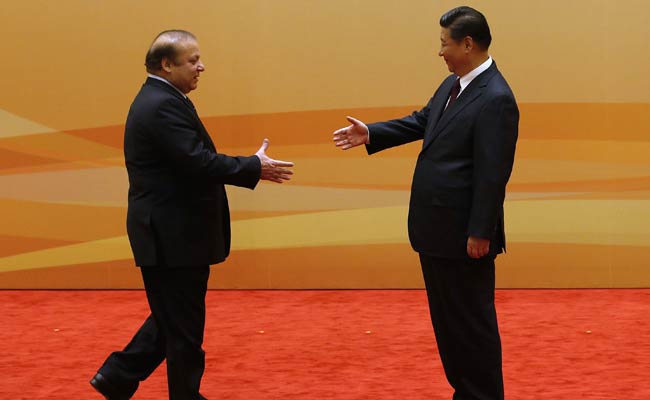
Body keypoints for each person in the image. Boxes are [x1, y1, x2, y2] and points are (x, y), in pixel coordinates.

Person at [90, 30, 293, 400]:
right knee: (183, 328)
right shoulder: (161, 104)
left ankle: (118, 376)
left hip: (173, 234)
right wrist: (252, 166)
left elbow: (189, 160)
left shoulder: (163, 98)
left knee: (174, 316)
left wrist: (248, 166)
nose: (202, 66)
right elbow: (194, 161)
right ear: (166, 64)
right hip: (172, 236)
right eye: (192, 60)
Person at [333, 6, 518, 400]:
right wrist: (372, 133)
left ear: (468, 44)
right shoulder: (453, 85)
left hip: (465, 239)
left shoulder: (496, 97)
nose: (440, 52)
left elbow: (492, 174)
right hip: (437, 234)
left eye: (444, 43)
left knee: (471, 326)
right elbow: (422, 121)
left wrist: (480, 231)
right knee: (450, 327)